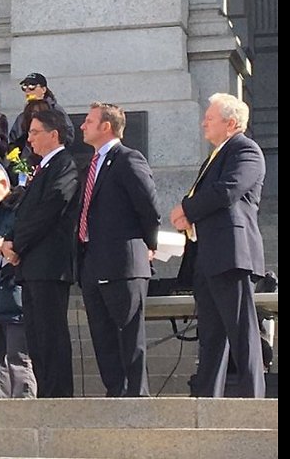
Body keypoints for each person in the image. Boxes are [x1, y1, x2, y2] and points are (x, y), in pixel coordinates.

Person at [169, 93, 267, 398]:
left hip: (231, 255)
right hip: (209, 257)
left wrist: (187, 208)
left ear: (231, 123)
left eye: (209, 118)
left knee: (242, 332)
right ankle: (207, 399)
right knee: (211, 336)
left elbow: (227, 191)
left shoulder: (245, 150)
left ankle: (254, 398)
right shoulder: (215, 155)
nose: (203, 123)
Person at [72, 102, 160, 397]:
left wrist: (149, 244)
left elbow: (148, 207)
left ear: (106, 126)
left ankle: (136, 395)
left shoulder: (128, 159)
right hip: (92, 261)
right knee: (102, 335)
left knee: (128, 335)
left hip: (123, 262)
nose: (82, 126)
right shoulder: (91, 164)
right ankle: (115, 392)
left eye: (88, 121)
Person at [4, 108, 79, 398]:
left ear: (53, 134)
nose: (30, 139)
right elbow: (25, 213)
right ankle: (47, 394)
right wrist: (10, 240)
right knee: (37, 338)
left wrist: (18, 244)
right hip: (32, 266)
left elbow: (50, 208)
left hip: (49, 264)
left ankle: (58, 396)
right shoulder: (42, 167)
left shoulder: (65, 164)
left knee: (51, 335)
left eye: (35, 133)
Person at [0, 165, 37, 399]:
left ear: (3, 184)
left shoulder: (20, 208)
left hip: (15, 294)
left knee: (18, 358)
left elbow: (22, 240)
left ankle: (25, 408)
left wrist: (5, 243)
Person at [9, 73, 73, 149]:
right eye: (24, 87)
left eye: (32, 86)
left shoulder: (55, 110)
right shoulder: (23, 115)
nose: (27, 90)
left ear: (43, 89)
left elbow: (68, 135)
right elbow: (14, 138)